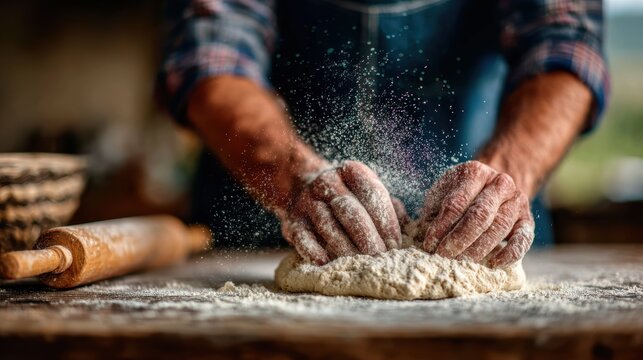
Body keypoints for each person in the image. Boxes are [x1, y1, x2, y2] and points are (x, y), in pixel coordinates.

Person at [157, 0, 609, 267]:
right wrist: (297, 180)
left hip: (481, 235)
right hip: (268, 229)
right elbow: (212, 59)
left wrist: (504, 178)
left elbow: (565, 47)